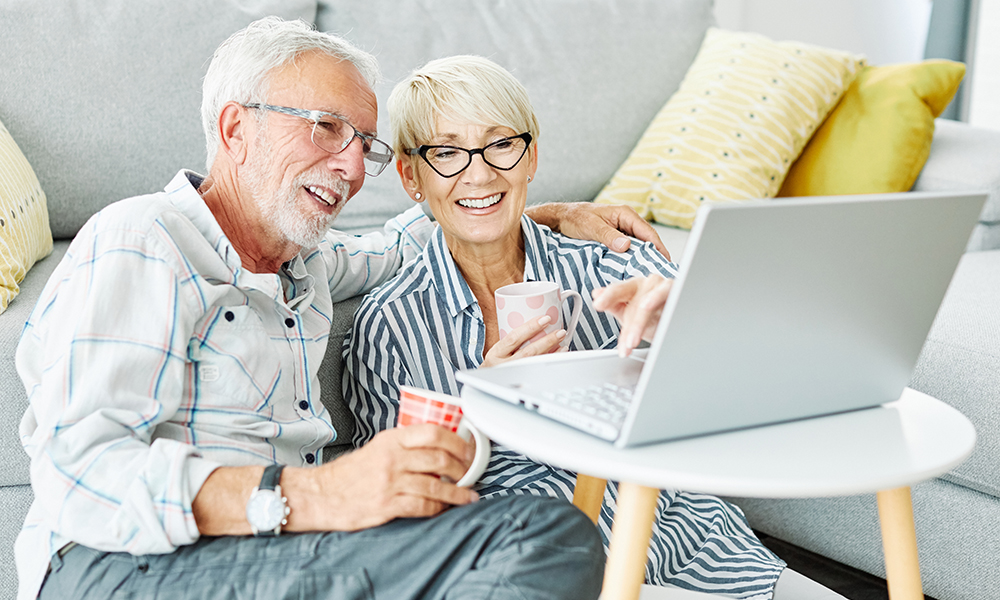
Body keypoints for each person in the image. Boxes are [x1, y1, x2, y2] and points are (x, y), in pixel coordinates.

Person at [14, 18, 671, 600]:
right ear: (236, 128)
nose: (353, 167)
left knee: (546, 535)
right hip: (121, 565)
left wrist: (539, 214)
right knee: (546, 538)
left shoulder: (308, 263)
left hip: (285, 554)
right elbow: (82, 475)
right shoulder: (142, 240)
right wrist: (321, 493)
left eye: (365, 143)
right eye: (327, 128)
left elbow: (413, 232)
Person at [343, 55, 791, 600]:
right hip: (552, 575)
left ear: (530, 157)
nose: (479, 173)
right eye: (446, 152)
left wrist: (686, 324)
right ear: (412, 176)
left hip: (698, 547)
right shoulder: (391, 324)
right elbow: (394, 509)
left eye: (501, 144)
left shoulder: (609, 264)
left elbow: (757, 373)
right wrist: (478, 407)